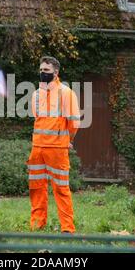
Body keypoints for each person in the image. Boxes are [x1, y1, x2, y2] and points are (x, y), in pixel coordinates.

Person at [26, 55, 81, 233]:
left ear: (56, 72)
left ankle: (67, 228)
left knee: (61, 189)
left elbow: (74, 122)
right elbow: (37, 119)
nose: (43, 73)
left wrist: (68, 140)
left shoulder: (66, 93)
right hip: (37, 148)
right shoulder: (35, 95)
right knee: (36, 187)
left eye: (46, 70)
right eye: (41, 70)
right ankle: (37, 224)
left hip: (57, 149)